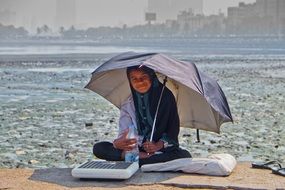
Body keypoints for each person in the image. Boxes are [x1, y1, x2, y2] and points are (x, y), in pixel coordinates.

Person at [93, 66, 191, 166]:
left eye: (143, 77)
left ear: (151, 77)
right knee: (99, 148)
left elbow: (172, 131)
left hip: (160, 151)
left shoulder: (166, 98)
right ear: (129, 81)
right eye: (134, 79)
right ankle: (138, 159)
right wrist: (117, 143)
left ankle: (134, 160)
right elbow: (124, 133)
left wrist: (157, 145)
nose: (139, 82)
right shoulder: (128, 103)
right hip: (135, 150)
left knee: (184, 155)